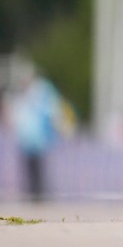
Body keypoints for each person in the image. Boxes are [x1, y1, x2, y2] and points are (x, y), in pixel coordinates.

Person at [10, 63, 74, 201]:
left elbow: (53, 110)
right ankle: (33, 195)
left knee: (38, 170)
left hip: (39, 138)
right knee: (30, 170)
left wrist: (59, 127)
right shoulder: (24, 95)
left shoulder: (42, 91)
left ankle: (39, 196)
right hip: (27, 139)